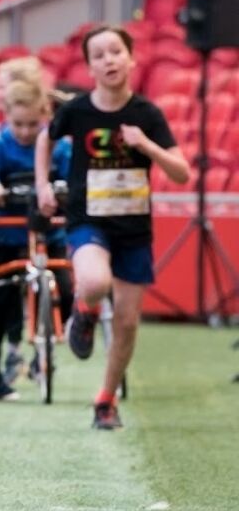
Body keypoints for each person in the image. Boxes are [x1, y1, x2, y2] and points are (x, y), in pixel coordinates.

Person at [37, 25, 188, 430]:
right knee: (94, 281)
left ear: (131, 58)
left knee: (126, 321)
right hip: (88, 219)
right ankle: (83, 313)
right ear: (89, 67)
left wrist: (147, 146)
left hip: (134, 227)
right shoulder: (78, 111)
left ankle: (105, 399)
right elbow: (45, 139)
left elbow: (181, 173)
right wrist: (42, 186)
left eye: (116, 52)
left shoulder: (147, 115)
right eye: (99, 55)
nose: (109, 60)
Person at [0, 78, 71, 401]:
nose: (26, 132)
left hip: (48, 234)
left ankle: (45, 357)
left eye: (33, 124)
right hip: (5, 236)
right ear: (5, 115)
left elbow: (74, 175)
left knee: (68, 292)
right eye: (18, 124)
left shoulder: (60, 147)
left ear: (45, 115)